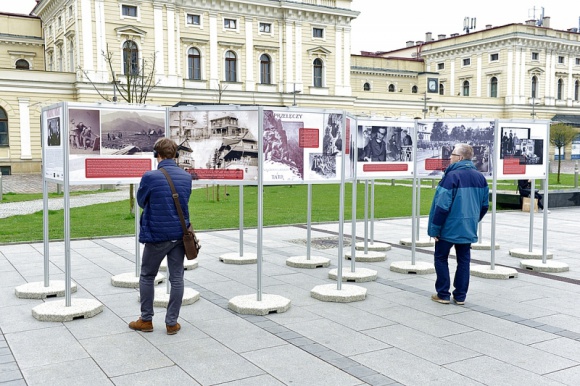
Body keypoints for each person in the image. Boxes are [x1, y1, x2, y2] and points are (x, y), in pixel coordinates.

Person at [129, 138, 192, 335]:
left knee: (147, 276)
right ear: (175, 155)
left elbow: (141, 201)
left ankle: (146, 320)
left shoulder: (150, 177)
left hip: (156, 235)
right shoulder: (186, 177)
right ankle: (172, 323)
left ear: (157, 155)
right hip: (179, 235)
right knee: (177, 278)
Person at [428, 143, 489, 305]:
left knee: (440, 257)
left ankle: (443, 294)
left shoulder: (451, 177)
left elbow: (441, 206)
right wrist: (473, 220)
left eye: (452, 155)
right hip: (468, 228)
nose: (450, 158)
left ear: (460, 158)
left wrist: (435, 229)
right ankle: (460, 296)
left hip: (448, 228)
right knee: (464, 260)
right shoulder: (480, 177)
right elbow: (484, 206)